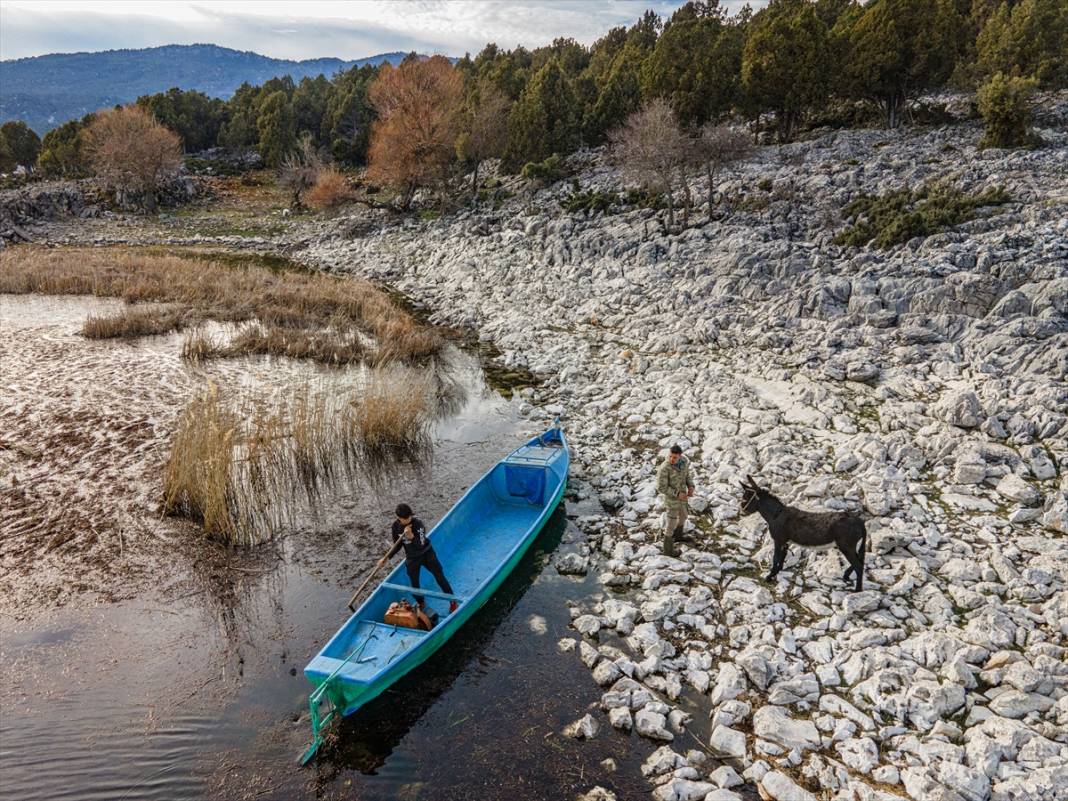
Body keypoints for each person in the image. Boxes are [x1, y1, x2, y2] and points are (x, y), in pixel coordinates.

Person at [378, 503, 459, 614]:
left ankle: (453, 601)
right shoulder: (396, 526)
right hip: (412, 558)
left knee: (439, 576)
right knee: (414, 584)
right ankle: (421, 602)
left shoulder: (418, 524)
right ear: (398, 518)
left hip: (427, 553)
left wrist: (411, 536)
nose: (407, 520)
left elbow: (421, 544)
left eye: (408, 517)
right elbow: (397, 545)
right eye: (404, 519)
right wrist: (386, 558)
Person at [656, 444, 695, 556]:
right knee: (670, 524)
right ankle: (668, 550)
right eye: (670, 456)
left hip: (683, 499)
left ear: (680, 456)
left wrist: (691, 486)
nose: (672, 459)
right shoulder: (664, 468)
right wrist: (676, 494)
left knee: (684, 516)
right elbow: (661, 487)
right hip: (672, 501)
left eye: (675, 457)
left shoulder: (684, 461)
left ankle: (678, 536)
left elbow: (687, 476)